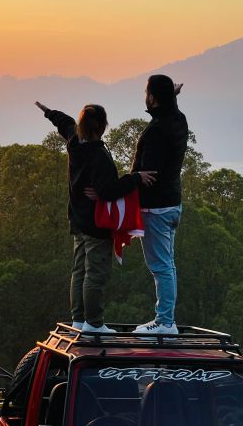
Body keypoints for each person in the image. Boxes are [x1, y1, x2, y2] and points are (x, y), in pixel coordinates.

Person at [35, 101, 156, 333]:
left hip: (78, 220)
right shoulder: (97, 155)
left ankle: (79, 320)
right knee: (95, 274)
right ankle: (94, 323)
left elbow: (64, 123)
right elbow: (108, 190)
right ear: (102, 126)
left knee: (79, 271)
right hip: (96, 224)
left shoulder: (74, 141)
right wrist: (136, 178)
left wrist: (48, 112)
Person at [130, 75, 188, 336]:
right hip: (172, 204)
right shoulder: (178, 119)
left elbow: (147, 173)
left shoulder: (156, 130)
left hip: (156, 208)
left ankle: (165, 322)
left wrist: (127, 185)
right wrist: (170, 99)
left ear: (152, 97)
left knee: (161, 266)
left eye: (147, 93)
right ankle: (166, 319)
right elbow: (166, 115)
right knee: (168, 264)